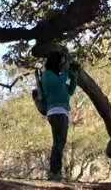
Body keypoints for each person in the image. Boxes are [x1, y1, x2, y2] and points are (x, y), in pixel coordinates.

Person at [36, 48, 78, 182]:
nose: (63, 64)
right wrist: (68, 70)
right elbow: (61, 80)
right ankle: (55, 172)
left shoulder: (57, 77)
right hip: (57, 112)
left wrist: (74, 76)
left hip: (60, 113)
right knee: (60, 143)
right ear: (56, 62)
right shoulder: (48, 75)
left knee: (58, 142)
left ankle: (55, 172)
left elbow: (70, 91)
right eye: (61, 61)